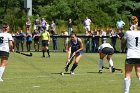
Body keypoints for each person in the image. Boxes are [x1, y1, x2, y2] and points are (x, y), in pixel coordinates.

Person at [122, 16, 140, 93]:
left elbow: (123, 41)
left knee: (128, 73)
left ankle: (126, 92)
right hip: (139, 55)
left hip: (130, 55)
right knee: (139, 73)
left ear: (130, 23)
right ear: (137, 23)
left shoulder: (128, 32)